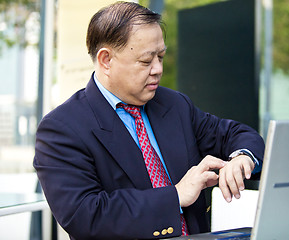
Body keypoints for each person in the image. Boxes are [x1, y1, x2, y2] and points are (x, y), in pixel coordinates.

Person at [33, 1, 265, 239]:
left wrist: (242, 157)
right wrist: (175, 195)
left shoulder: (175, 105)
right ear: (106, 60)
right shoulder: (61, 128)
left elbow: (234, 134)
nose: (157, 69)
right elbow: (85, 215)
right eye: (146, 61)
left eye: (161, 56)